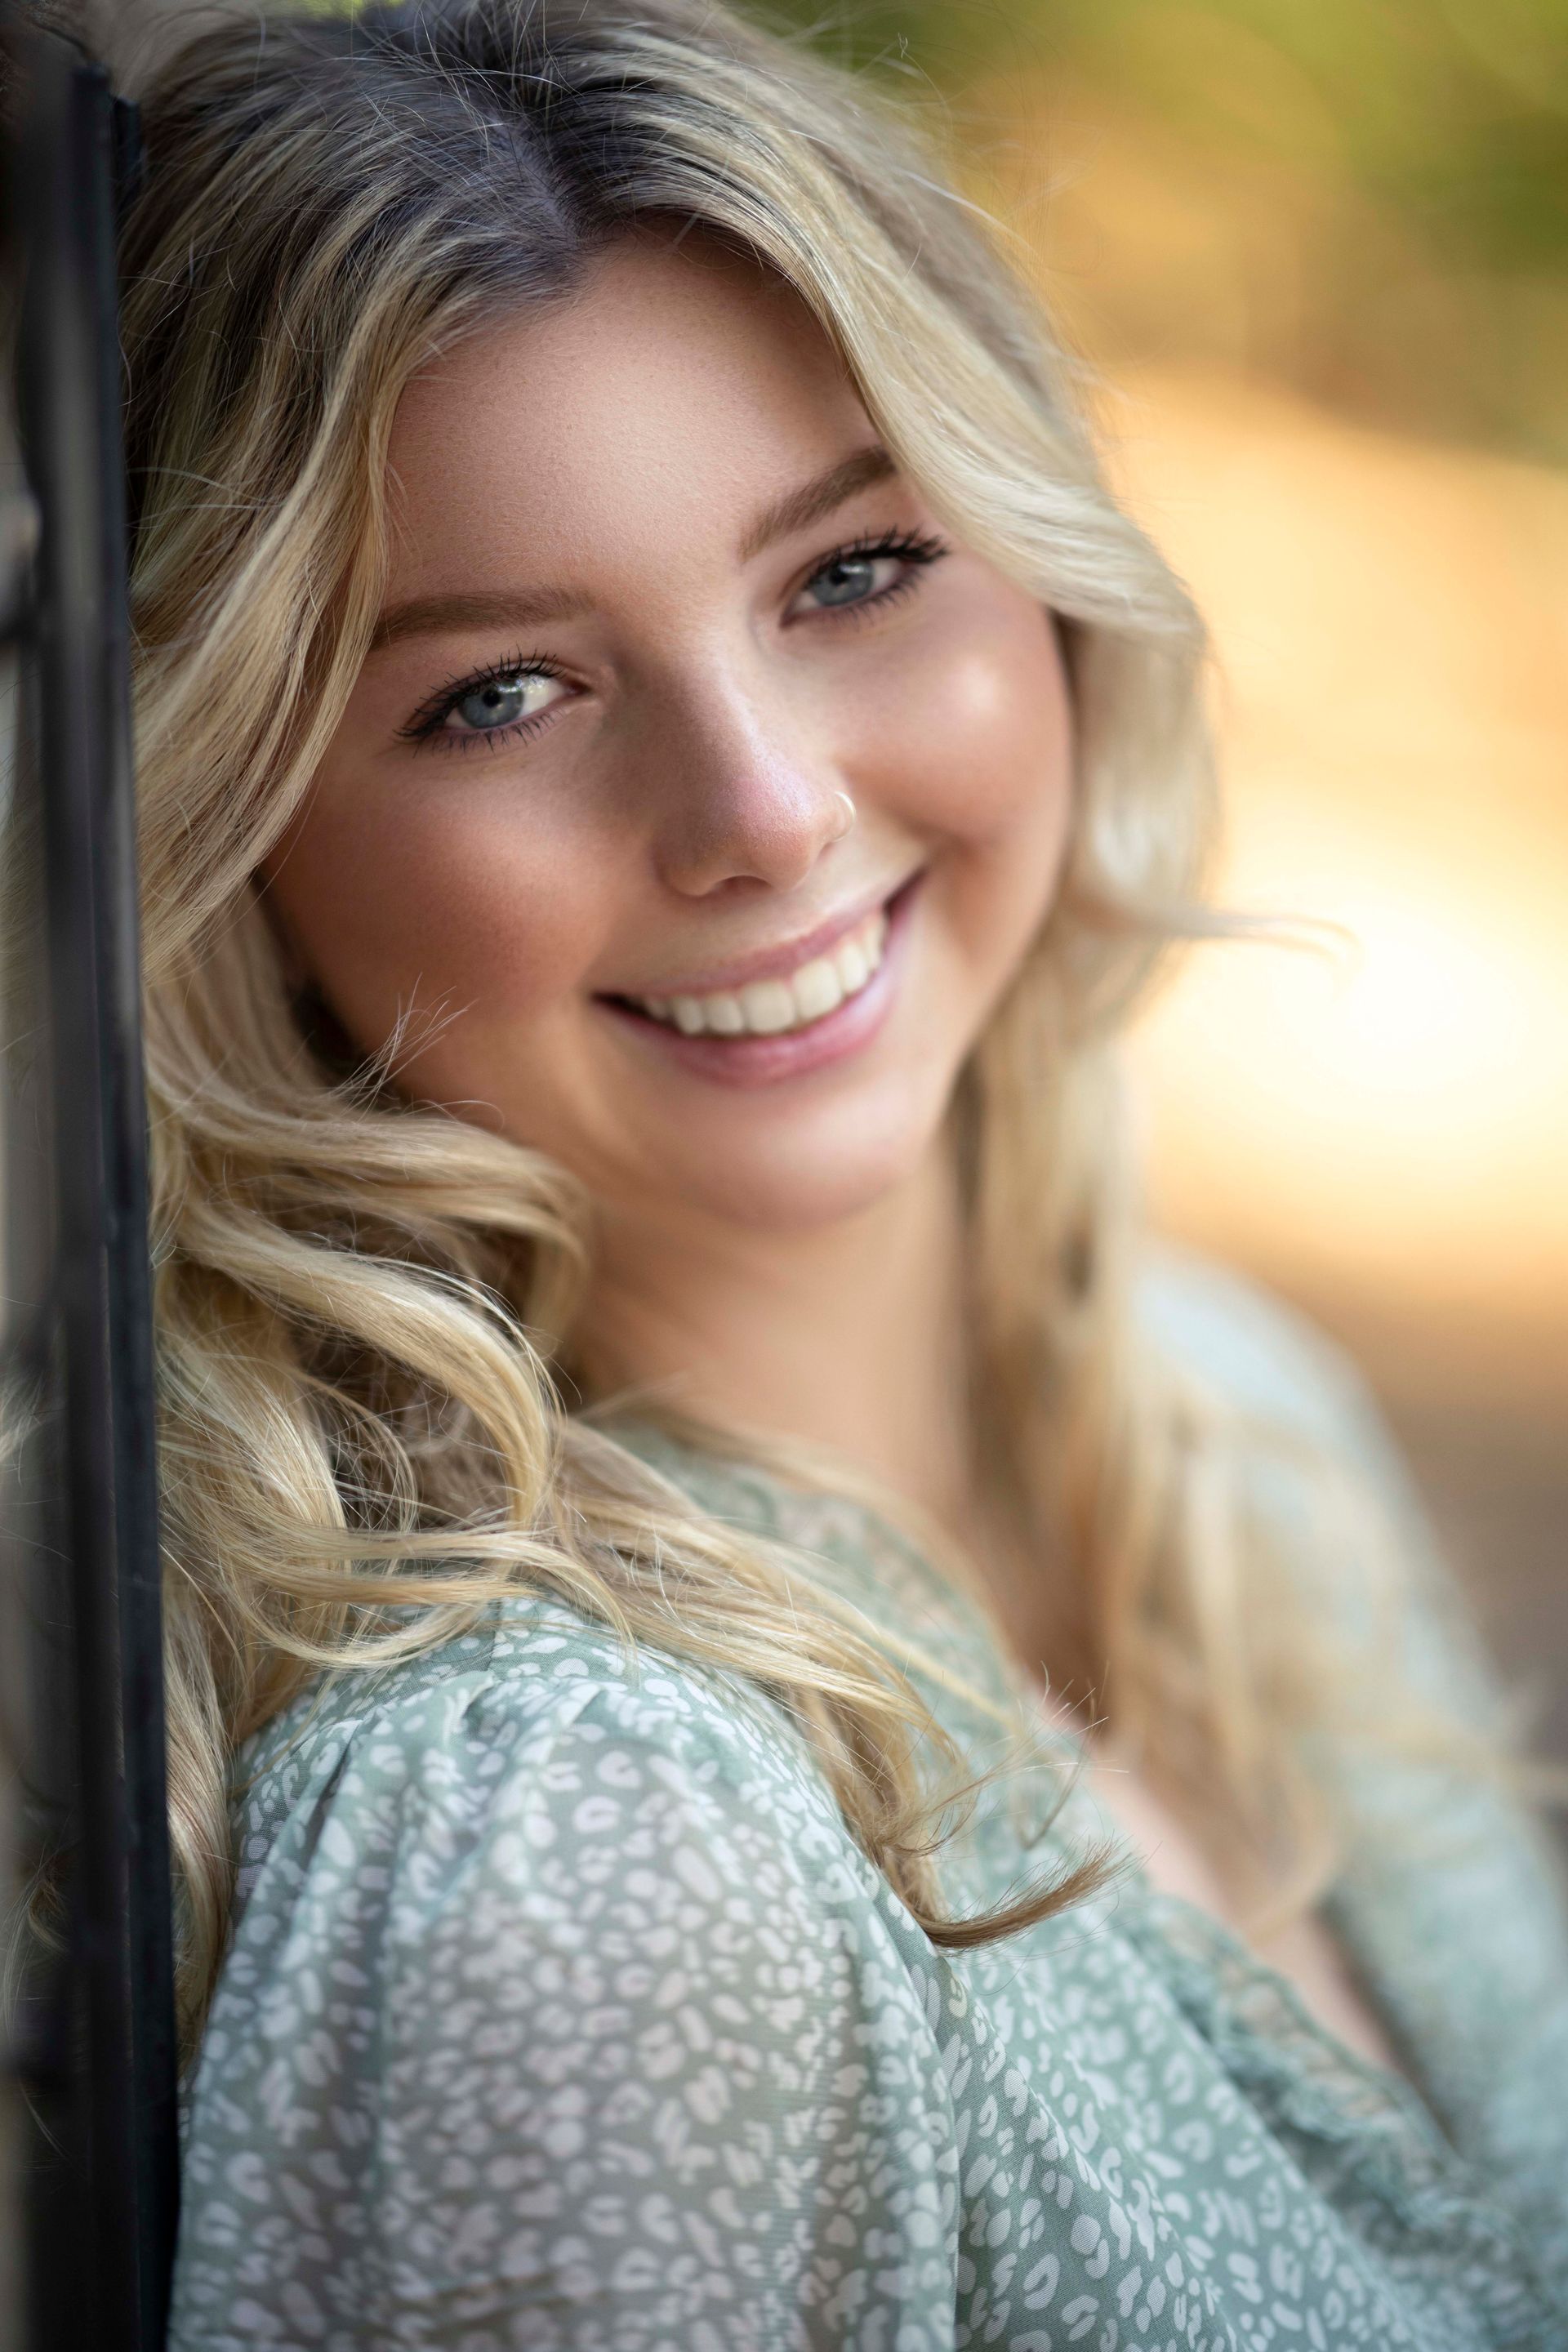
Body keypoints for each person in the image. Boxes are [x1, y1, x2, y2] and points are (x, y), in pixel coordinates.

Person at [105, 2, 1566, 2343]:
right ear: (233, 851)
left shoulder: (1245, 1428)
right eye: (498, 695)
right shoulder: (584, 1850)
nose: (768, 811)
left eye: (854, 570)